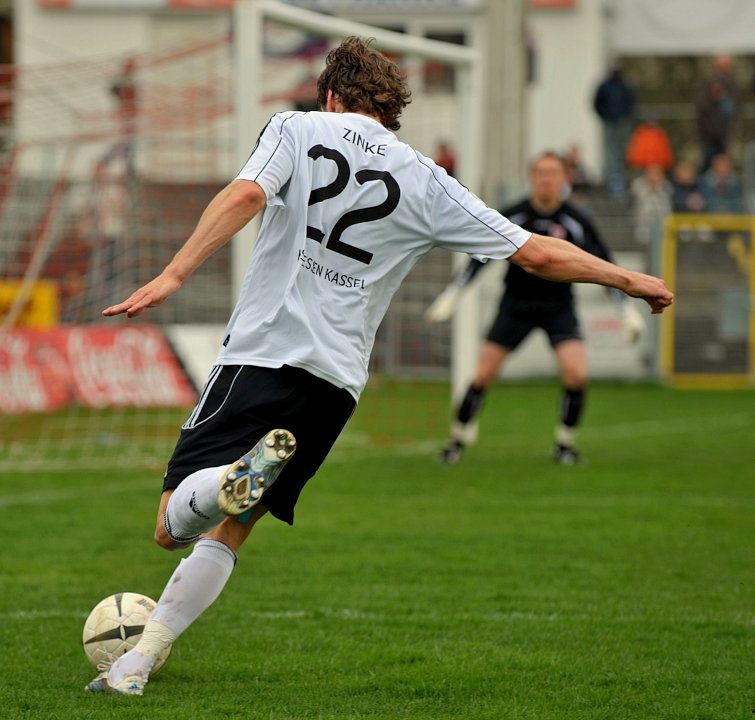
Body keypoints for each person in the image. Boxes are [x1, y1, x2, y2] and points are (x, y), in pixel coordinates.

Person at [85, 38, 673, 697]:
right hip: (335, 385)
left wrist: (174, 272)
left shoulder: (296, 127)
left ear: (330, 96)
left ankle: (224, 478)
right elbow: (535, 253)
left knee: (172, 524)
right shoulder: (425, 177)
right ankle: (133, 669)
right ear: (388, 109)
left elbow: (248, 194)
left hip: (262, 354)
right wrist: (626, 278)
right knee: (235, 527)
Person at [426, 152, 649, 466]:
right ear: (532, 177)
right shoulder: (513, 215)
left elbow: (603, 264)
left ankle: (565, 446)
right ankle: (458, 440)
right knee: (482, 376)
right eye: (540, 172)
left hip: (558, 307)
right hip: (515, 305)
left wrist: (625, 310)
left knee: (576, 374)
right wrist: (453, 295)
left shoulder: (576, 220)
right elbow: (480, 256)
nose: (546, 178)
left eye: (553, 172)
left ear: (563, 179)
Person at [593, 63, 634, 197]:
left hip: (621, 122)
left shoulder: (624, 86)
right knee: (609, 153)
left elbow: (631, 102)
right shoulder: (605, 86)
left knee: (621, 152)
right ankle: (610, 179)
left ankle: (620, 180)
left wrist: (624, 116)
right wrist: (606, 116)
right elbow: (596, 103)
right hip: (609, 122)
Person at [696, 54, 741, 174]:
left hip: (725, 134)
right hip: (708, 134)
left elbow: (734, 108)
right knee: (707, 165)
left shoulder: (732, 83)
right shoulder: (708, 81)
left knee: (723, 167)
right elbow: (701, 107)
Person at [629, 163, 673, 246]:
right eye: (652, 173)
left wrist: (658, 188)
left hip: (662, 228)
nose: (655, 176)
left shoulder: (666, 188)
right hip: (642, 228)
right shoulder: (638, 186)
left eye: (658, 173)